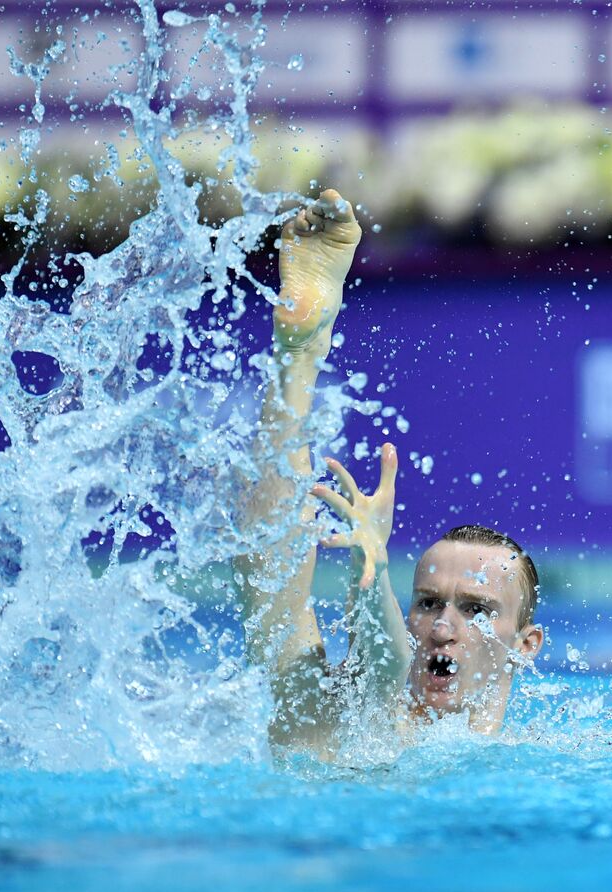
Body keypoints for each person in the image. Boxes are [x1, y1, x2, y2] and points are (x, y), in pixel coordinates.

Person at [233, 190, 543, 753]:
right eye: (427, 603)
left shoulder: (558, 766)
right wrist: (296, 359)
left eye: (475, 610)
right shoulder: (335, 725)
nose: (442, 628)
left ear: (526, 644)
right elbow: (267, 586)